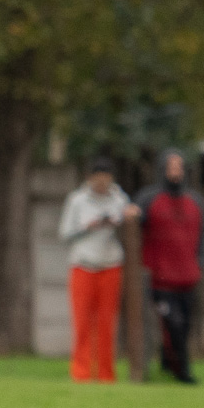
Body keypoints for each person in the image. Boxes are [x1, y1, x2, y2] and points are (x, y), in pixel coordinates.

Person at [58, 158, 138, 383]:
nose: (102, 184)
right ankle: (81, 373)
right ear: (90, 178)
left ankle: (106, 374)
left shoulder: (119, 198)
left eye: (106, 179)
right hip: (83, 266)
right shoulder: (77, 200)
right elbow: (64, 233)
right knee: (82, 322)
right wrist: (88, 227)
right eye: (98, 179)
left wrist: (125, 217)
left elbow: (128, 222)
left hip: (110, 265)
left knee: (106, 323)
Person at [136, 149, 204, 384]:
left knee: (184, 326)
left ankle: (169, 361)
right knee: (173, 323)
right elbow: (132, 225)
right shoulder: (149, 199)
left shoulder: (196, 202)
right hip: (160, 279)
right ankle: (183, 371)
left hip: (187, 277)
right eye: (171, 167)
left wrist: (201, 263)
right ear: (162, 170)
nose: (175, 172)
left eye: (179, 167)